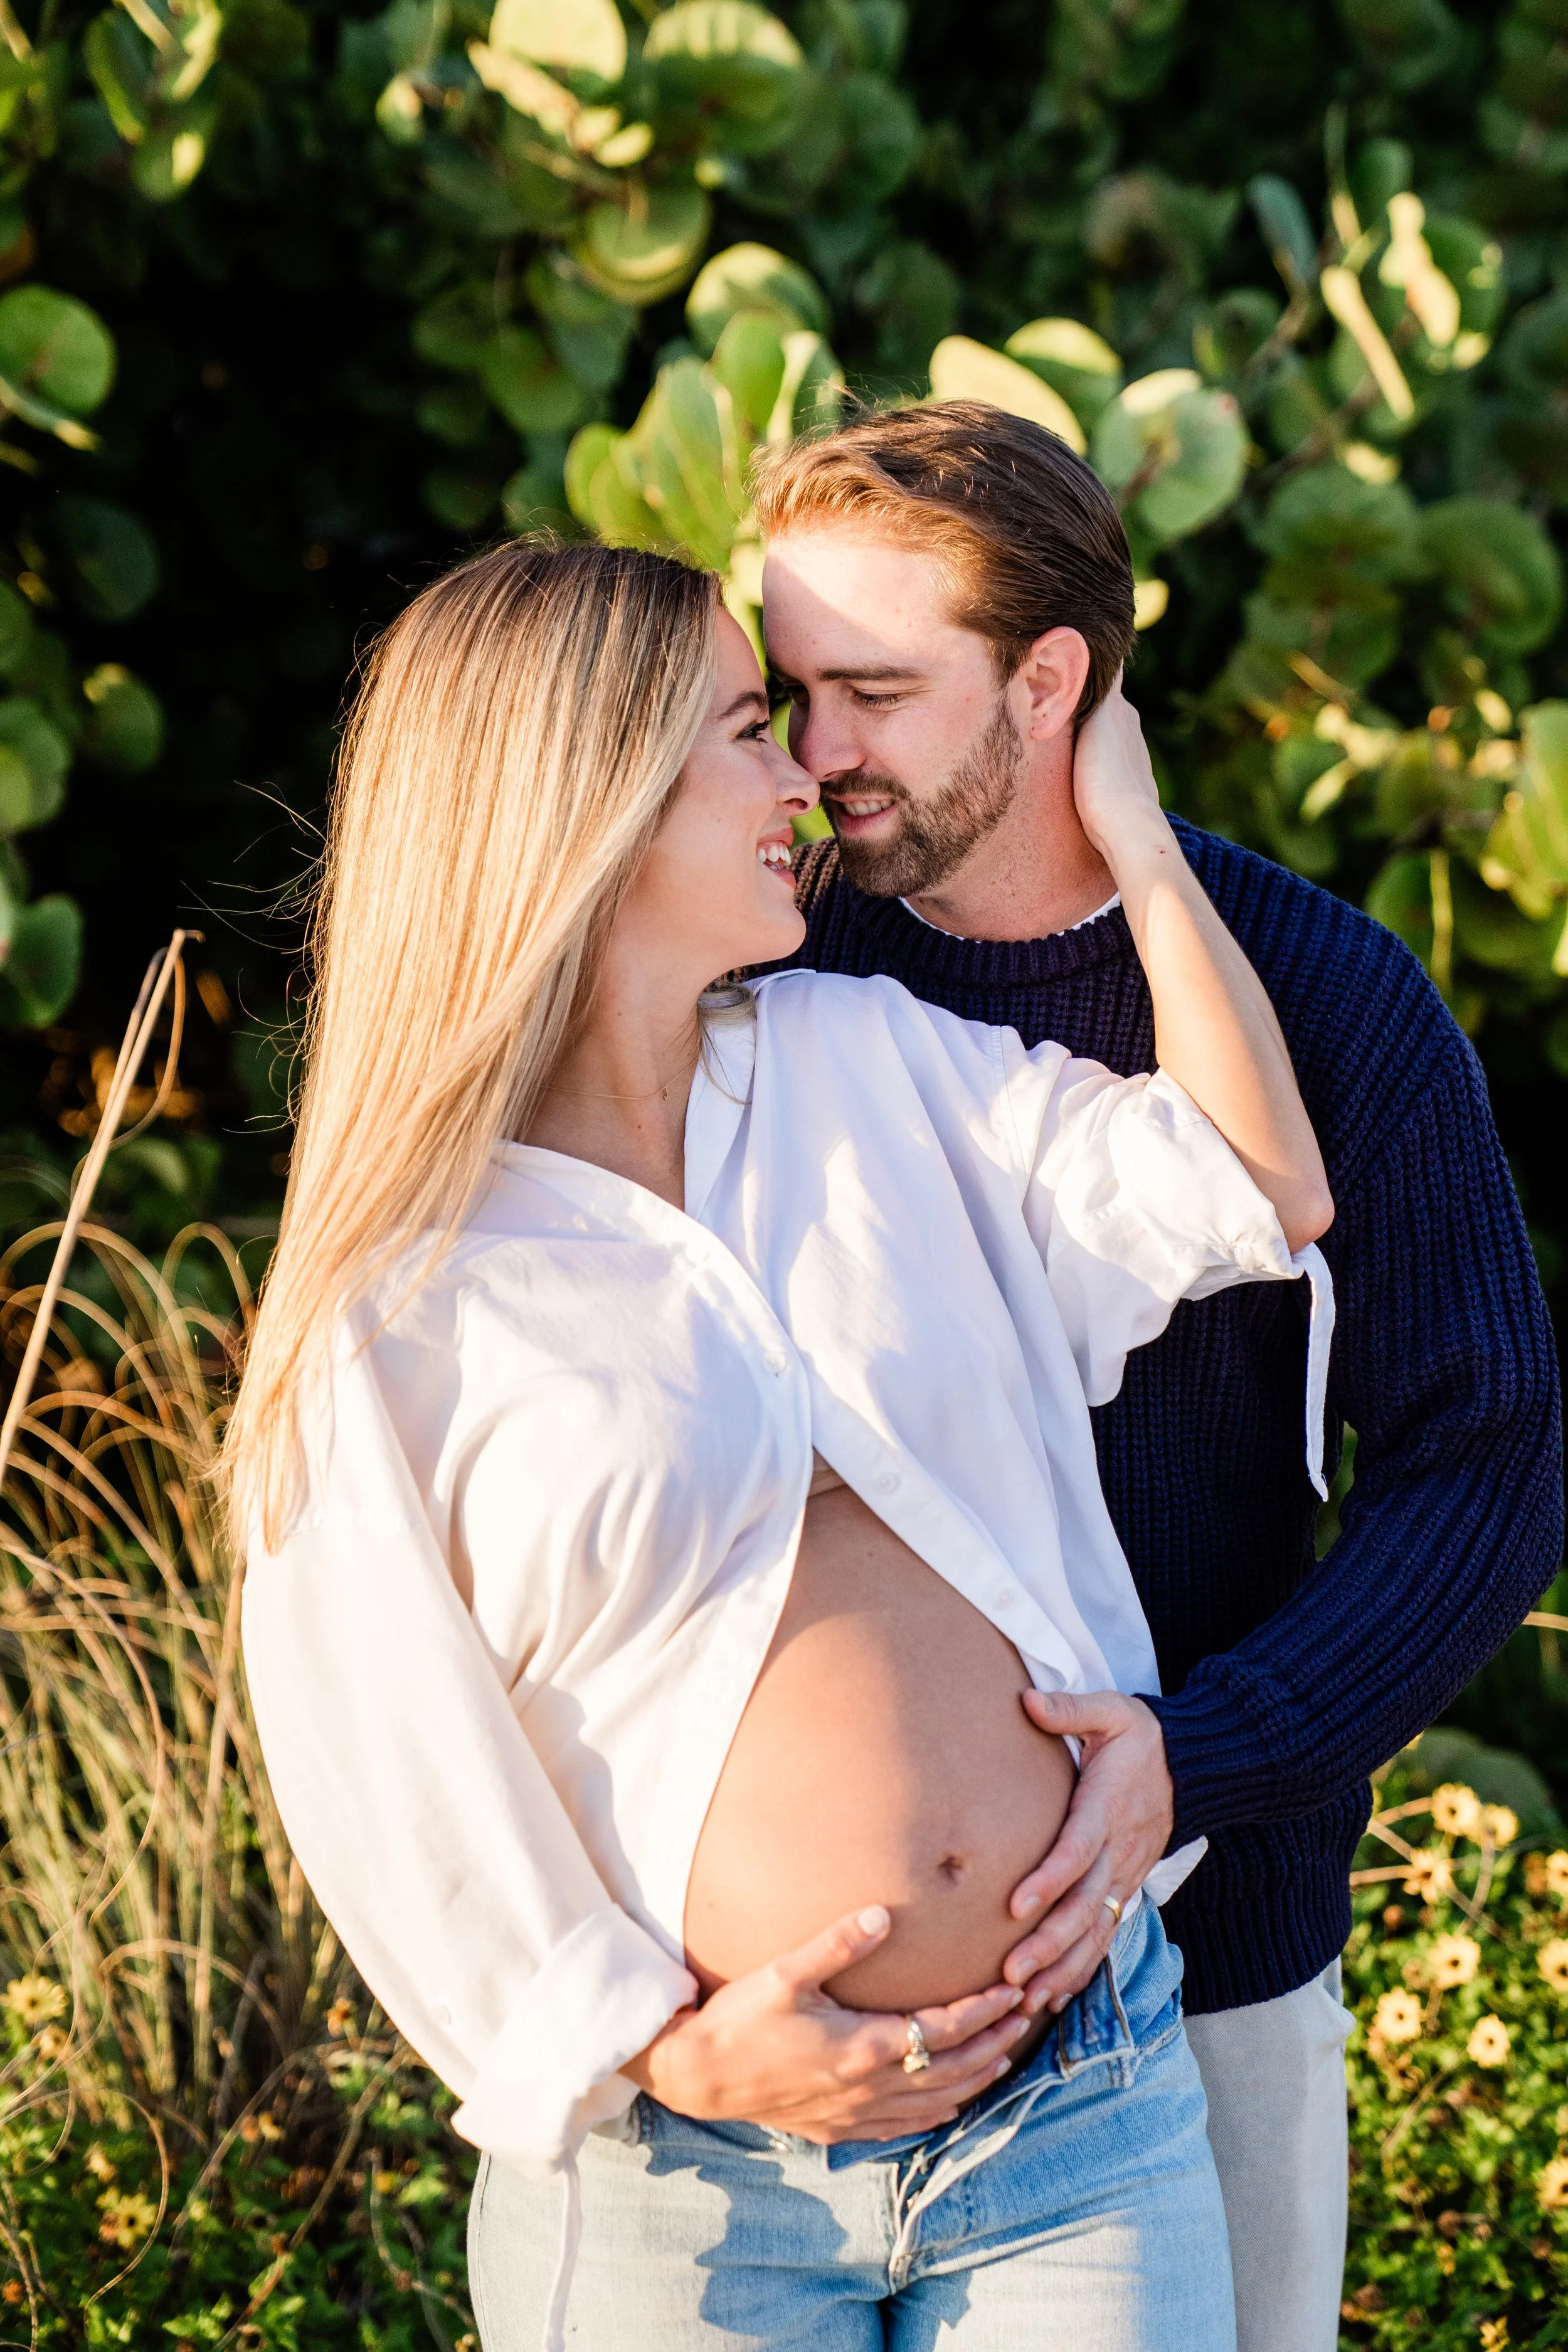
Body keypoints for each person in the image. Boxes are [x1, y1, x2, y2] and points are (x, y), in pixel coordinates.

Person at [228, 540, 1333, 2352]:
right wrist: (661, 2045)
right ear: (586, 798)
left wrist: (1138, 842)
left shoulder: (865, 1059)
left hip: (1079, 2094)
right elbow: (383, 1747)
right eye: (744, 731)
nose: (801, 777)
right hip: (692, 2184)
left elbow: (1250, 1183)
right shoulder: (407, 1290)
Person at [753, 398, 1565, 2352]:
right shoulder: (759, 964)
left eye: (872, 688)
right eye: (789, 691)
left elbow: (1487, 1455)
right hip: (815, 2009)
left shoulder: (1326, 992)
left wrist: (1211, 1753)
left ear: (1052, 681)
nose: (814, 753)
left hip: (1211, 1958)